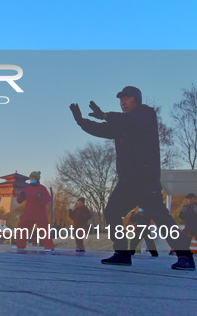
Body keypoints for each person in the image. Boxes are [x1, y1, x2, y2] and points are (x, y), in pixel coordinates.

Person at [70, 86, 194, 270]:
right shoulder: (121, 124)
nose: (122, 102)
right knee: (112, 211)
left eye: (126, 98)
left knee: (160, 217)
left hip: (145, 180)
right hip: (127, 182)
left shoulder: (146, 115)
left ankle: (185, 257)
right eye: (120, 100)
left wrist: (105, 114)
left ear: (137, 99)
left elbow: (132, 121)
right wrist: (81, 122)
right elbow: (102, 129)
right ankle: (121, 253)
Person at [15, 171, 54, 252]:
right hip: (29, 213)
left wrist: (41, 198)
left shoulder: (42, 188)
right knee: (22, 227)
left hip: (40, 213)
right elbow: (20, 200)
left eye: (33, 177)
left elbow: (48, 199)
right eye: (31, 177)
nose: (31, 179)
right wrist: (20, 196)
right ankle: (20, 246)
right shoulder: (27, 188)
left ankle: (49, 247)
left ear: (37, 179)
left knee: (44, 230)